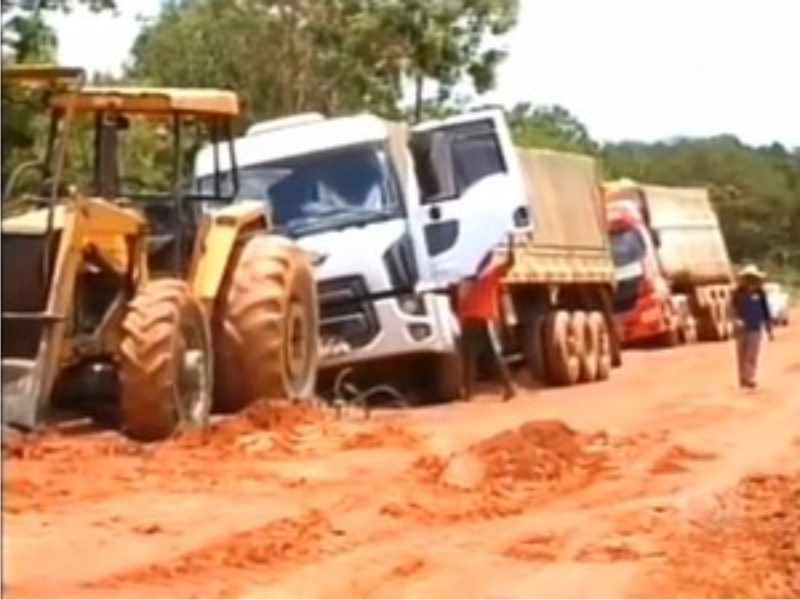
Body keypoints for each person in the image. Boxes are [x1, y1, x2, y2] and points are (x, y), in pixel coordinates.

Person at [456, 235, 517, 401]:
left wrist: (512, 247)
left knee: (493, 356)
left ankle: (509, 388)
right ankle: (467, 393)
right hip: (468, 320)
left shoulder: (490, 274)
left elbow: (509, 264)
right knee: (468, 356)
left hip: (485, 320)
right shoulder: (465, 278)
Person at [731, 264, 773, 389]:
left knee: (752, 354)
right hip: (741, 328)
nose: (750, 280)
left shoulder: (760, 293)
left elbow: (765, 311)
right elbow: (732, 309)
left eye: (752, 277)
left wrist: (769, 328)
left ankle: (750, 377)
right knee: (741, 354)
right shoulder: (737, 293)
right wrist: (735, 320)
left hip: (755, 328)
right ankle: (743, 378)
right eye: (748, 277)